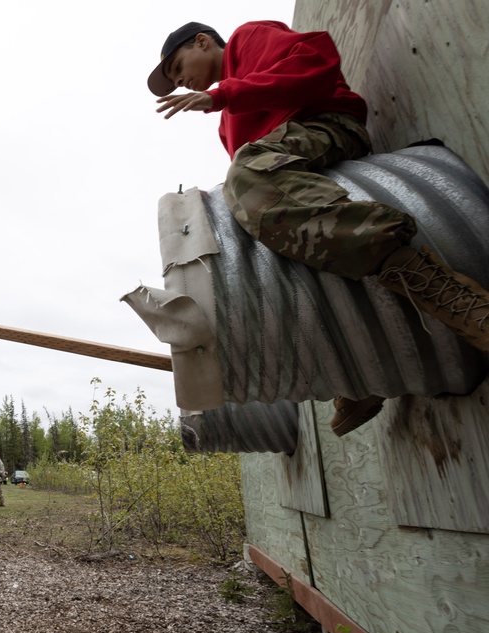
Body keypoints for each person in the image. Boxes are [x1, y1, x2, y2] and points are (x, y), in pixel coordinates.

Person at [149, 20, 489, 436]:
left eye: (177, 67)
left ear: (202, 41)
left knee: (251, 174)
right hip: (290, 167)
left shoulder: (247, 40)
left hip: (326, 125)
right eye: (174, 79)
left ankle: (437, 286)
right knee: (281, 238)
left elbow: (318, 62)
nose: (179, 81)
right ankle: (363, 368)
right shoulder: (227, 126)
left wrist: (224, 95)